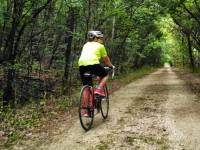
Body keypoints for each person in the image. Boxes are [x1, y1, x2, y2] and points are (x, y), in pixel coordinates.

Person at [78, 30, 115, 96]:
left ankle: (84, 105)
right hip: (93, 64)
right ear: (95, 38)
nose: (102, 40)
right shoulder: (100, 46)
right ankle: (99, 89)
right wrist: (111, 66)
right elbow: (106, 60)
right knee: (105, 75)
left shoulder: (85, 45)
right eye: (100, 38)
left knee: (87, 87)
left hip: (82, 65)